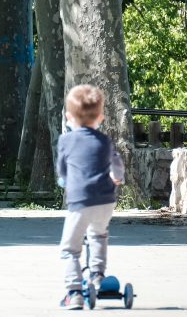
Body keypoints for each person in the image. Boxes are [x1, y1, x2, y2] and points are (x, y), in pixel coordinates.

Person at [55, 84, 124, 311]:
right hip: (106, 199)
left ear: (68, 117)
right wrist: (117, 177)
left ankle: (74, 292)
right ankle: (97, 276)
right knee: (98, 235)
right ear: (100, 117)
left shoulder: (66, 141)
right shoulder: (105, 141)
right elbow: (116, 163)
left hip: (80, 200)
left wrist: (64, 181)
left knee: (70, 248)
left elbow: (62, 169)